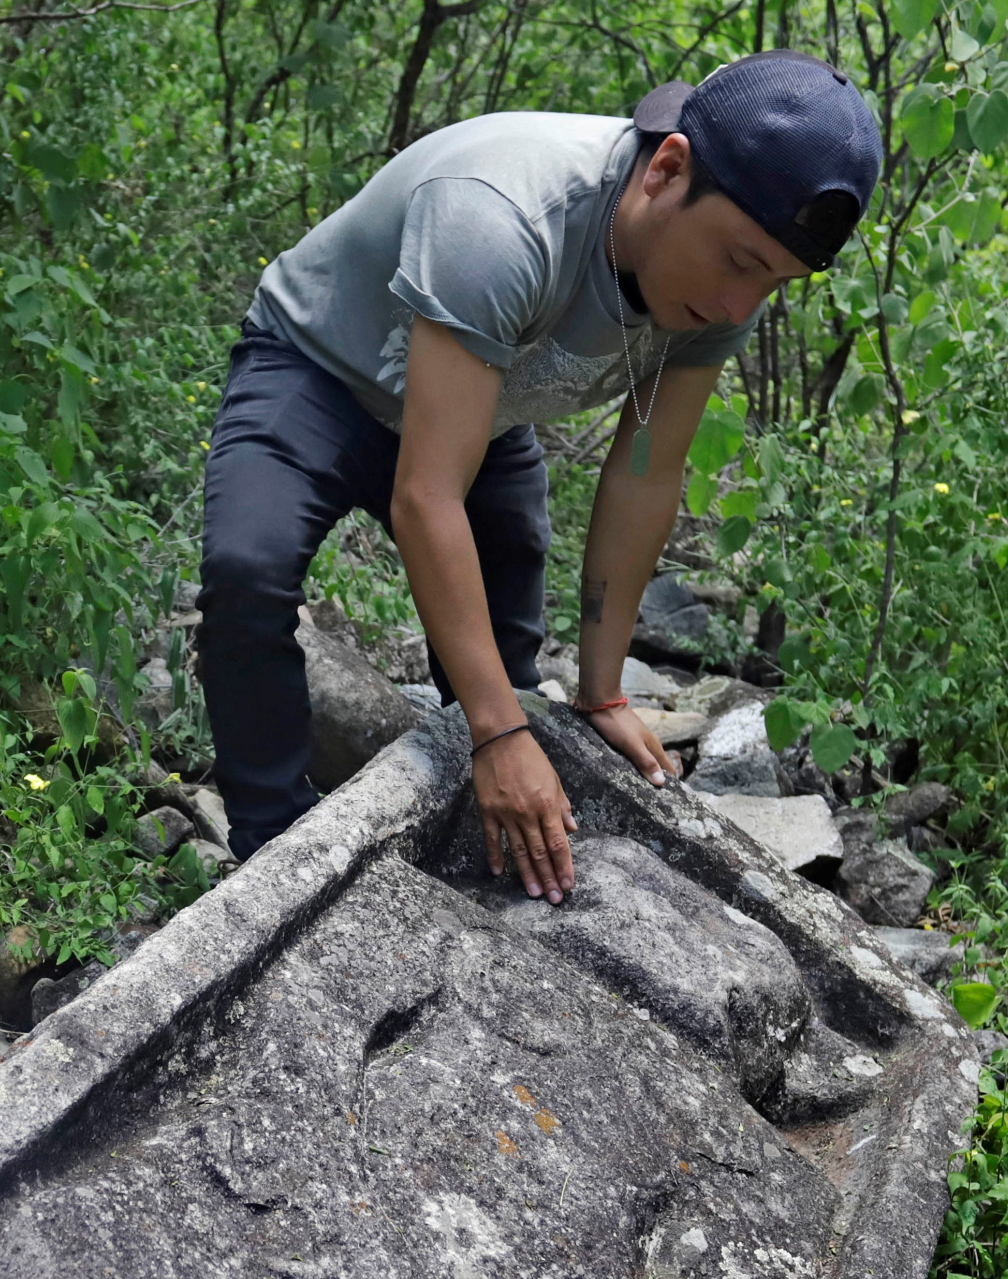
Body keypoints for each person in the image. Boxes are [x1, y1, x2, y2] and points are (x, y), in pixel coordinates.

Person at [194, 51, 882, 899]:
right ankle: (272, 856)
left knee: (509, 604)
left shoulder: (723, 290)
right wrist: (497, 732)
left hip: (481, 402)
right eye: (741, 263)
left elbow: (645, 470)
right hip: (320, 370)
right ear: (667, 170)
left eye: (775, 282)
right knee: (246, 573)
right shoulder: (505, 219)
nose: (744, 307)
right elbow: (425, 495)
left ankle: (478, 798)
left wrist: (600, 693)